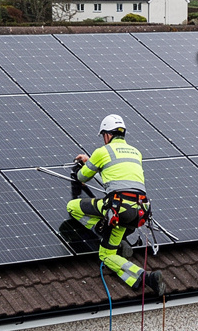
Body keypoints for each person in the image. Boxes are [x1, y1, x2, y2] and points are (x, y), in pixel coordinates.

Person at [67, 114, 167, 297]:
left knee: (74, 208)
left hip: (118, 210)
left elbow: (82, 177)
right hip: (139, 211)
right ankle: (123, 253)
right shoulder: (136, 152)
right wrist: (93, 162)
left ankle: (147, 278)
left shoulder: (102, 152)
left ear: (106, 135)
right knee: (113, 240)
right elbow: (113, 180)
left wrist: (88, 163)